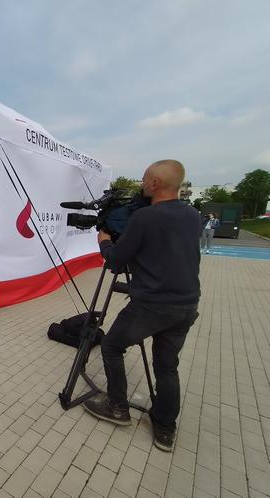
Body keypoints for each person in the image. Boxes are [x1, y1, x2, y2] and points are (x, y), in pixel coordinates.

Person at [83, 159, 201, 453]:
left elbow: (115, 261)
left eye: (145, 179)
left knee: (111, 346)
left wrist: (105, 240)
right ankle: (164, 429)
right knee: (167, 366)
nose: (143, 184)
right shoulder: (192, 215)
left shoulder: (145, 218)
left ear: (155, 184)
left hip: (152, 304)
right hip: (186, 304)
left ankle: (117, 406)